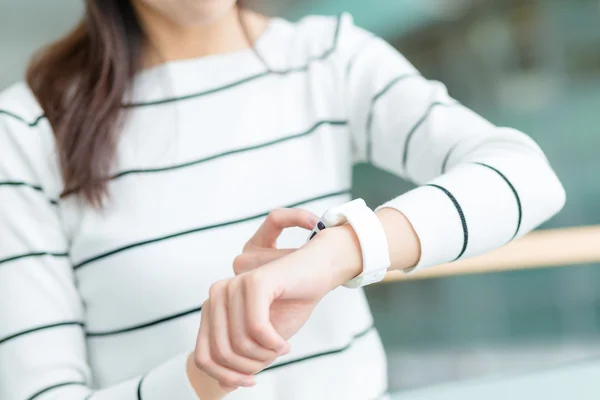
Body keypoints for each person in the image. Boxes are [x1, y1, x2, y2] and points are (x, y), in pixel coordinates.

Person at [0, 0, 565, 399]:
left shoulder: (328, 57)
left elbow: (526, 176)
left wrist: (336, 254)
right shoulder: (26, 129)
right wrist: (207, 374)